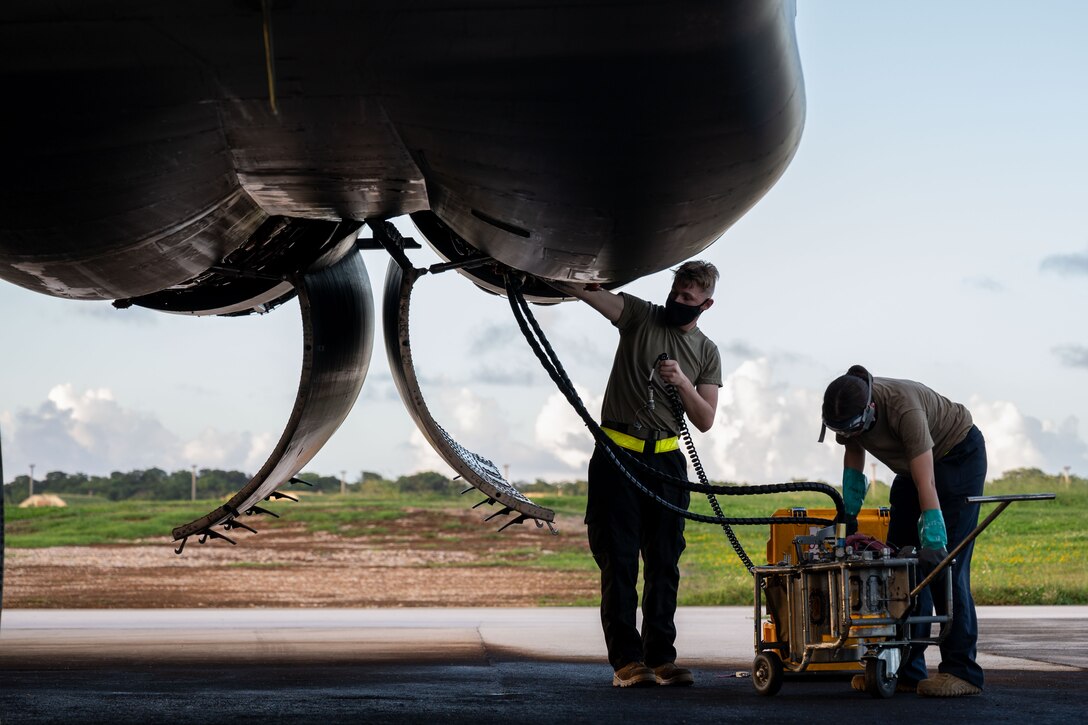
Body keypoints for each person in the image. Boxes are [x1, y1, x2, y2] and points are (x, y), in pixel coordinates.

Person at [556, 261, 722, 688]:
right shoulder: (640, 316)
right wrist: (564, 276)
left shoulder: (707, 352)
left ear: (706, 304)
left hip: (666, 463)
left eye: (688, 299)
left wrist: (682, 383)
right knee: (620, 560)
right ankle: (627, 662)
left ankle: (661, 658)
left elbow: (705, 420)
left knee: (665, 563)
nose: (677, 302)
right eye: (676, 293)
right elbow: (591, 295)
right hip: (617, 457)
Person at [819, 365, 986, 697]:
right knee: (899, 566)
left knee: (943, 567)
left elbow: (927, 480)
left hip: (955, 457)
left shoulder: (903, 408)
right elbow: (854, 454)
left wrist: (935, 536)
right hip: (912, 471)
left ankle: (962, 671)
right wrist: (848, 511)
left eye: (853, 429)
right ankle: (906, 669)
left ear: (870, 411)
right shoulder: (845, 408)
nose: (848, 435)